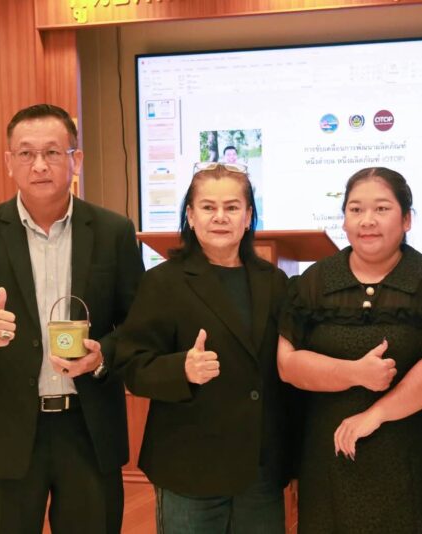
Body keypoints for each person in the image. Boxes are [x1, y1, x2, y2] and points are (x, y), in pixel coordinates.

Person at [0, 104, 145, 533]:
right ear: (9, 162)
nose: (40, 165)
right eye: (26, 153)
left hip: (88, 429)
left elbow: (138, 326)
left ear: (76, 160)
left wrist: (102, 355)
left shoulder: (113, 232)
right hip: (7, 432)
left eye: (52, 152)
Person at [278, 167, 422, 533]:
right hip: (332, 451)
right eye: (356, 209)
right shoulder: (315, 281)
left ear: (407, 219)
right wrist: (355, 373)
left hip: (415, 452)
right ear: (344, 220)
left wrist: (376, 414)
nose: (367, 220)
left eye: (382, 209)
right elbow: (287, 364)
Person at [115, 162, 294, 533]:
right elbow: (132, 365)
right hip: (190, 465)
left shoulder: (275, 282)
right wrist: (181, 369)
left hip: (259, 467)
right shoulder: (163, 281)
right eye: (208, 207)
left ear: (248, 217)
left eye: (232, 207)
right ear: (191, 216)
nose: (220, 217)